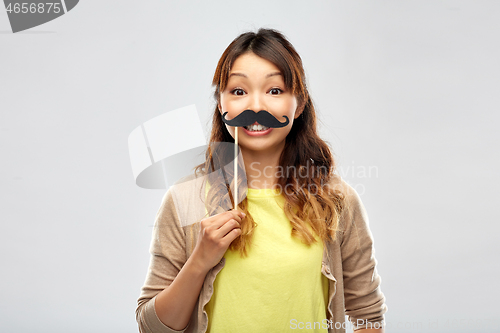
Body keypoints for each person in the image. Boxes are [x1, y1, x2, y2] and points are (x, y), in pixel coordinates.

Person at [136, 28, 387, 333]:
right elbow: (152, 328)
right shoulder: (184, 200)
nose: (256, 107)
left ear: (300, 103)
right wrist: (200, 260)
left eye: (274, 91)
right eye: (239, 91)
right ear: (220, 104)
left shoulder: (336, 199)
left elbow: (367, 316)